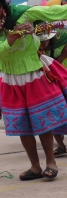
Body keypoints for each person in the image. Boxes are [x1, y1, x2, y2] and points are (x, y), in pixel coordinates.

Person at [0, 0, 67, 180]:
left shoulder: (22, 14)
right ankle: (35, 167)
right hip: (10, 80)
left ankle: (50, 162)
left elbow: (54, 12)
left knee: (43, 122)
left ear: (0, 7)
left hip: (34, 74)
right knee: (22, 125)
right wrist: (10, 39)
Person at [37, 23, 67, 157]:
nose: (43, 45)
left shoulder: (62, 40)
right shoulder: (34, 48)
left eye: (45, 41)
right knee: (53, 114)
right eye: (40, 42)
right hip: (50, 83)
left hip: (64, 78)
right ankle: (61, 146)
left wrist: (60, 59)